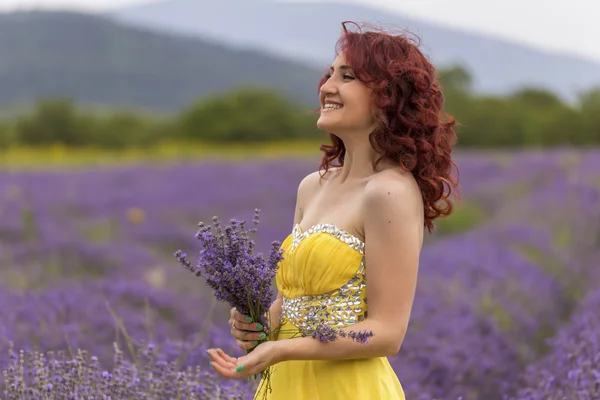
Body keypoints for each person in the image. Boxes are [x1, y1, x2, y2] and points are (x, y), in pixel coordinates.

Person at [206, 20, 460, 399]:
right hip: (285, 386)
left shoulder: (389, 192)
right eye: (330, 74)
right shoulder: (312, 186)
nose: (327, 86)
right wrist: (259, 325)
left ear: (387, 96)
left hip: (346, 387)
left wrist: (283, 349)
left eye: (348, 76)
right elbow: (294, 304)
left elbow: (387, 333)